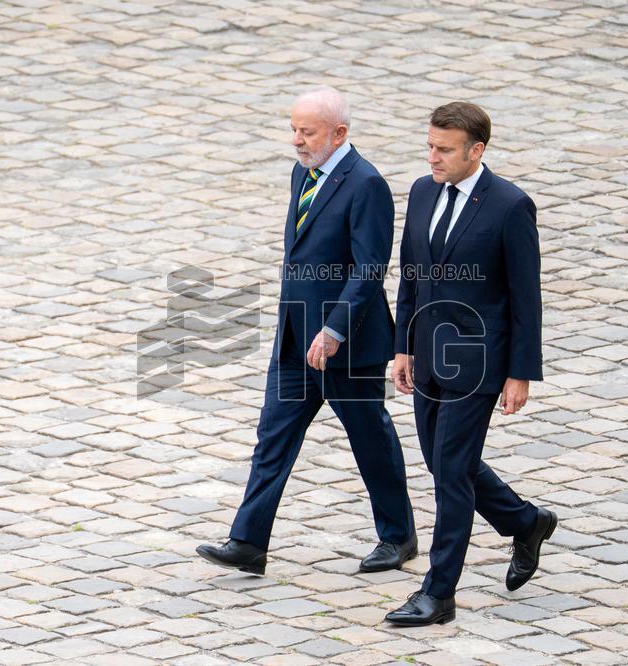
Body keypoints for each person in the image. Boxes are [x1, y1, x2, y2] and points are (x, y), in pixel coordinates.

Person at [197, 87, 416, 577]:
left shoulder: (366, 185)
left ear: (339, 134)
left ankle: (399, 536)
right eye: (293, 129)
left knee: (370, 440)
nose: (296, 140)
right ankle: (248, 542)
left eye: (307, 132)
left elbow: (369, 268)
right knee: (271, 437)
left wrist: (335, 329)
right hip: (296, 337)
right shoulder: (305, 171)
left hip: (346, 344)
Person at [385, 101, 558, 627]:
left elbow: (525, 297)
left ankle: (439, 594)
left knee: (452, 475)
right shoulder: (420, 191)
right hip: (428, 356)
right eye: (430, 146)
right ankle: (526, 522)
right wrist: (402, 346)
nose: (432, 156)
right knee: (444, 464)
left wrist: (520, 372)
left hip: (480, 364)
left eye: (444, 149)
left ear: (476, 150)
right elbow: (413, 274)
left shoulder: (509, 206)